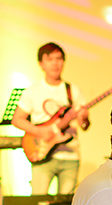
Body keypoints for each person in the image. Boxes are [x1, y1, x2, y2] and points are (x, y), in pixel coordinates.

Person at [12, 42, 89, 195]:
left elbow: (84, 125)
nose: (55, 63)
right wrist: (40, 132)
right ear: (41, 64)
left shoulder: (72, 90)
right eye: (50, 59)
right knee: (37, 202)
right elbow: (17, 119)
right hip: (42, 153)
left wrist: (84, 119)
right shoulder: (32, 91)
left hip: (70, 155)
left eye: (59, 59)